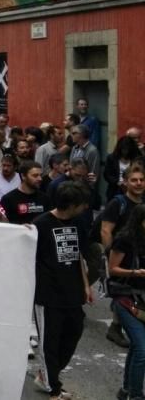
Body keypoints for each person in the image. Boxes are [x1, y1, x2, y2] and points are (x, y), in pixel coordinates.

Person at [33, 181, 93, 400]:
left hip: (73, 292)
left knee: (73, 334)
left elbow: (78, 255)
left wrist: (86, 285)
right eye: (82, 204)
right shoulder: (40, 224)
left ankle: (47, 376)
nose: (86, 207)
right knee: (49, 343)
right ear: (71, 204)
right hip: (48, 295)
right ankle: (54, 389)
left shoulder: (78, 224)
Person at [106, 203, 145, 400]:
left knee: (138, 348)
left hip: (142, 300)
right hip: (125, 299)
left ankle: (127, 390)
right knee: (142, 349)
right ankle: (136, 396)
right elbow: (112, 269)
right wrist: (134, 272)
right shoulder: (124, 240)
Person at [105, 136, 143, 201]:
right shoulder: (112, 158)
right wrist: (117, 182)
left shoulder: (137, 159)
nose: (125, 152)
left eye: (127, 149)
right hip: (115, 189)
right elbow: (107, 174)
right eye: (123, 149)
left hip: (132, 188)